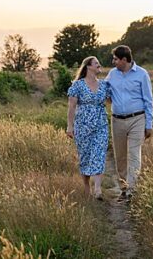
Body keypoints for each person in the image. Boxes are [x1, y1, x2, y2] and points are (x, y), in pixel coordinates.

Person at [105, 45, 153, 202]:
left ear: (124, 60)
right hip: (117, 120)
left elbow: (148, 100)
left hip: (137, 119)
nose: (113, 62)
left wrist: (149, 124)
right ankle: (124, 189)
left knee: (134, 155)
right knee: (120, 157)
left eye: (115, 59)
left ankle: (132, 191)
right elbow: (104, 92)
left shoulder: (142, 74)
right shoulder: (112, 74)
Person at [66, 56, 112, 200]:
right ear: (88, 67)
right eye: (96, 64)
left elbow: (111, 100)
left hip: (101, 124)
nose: (99, 66)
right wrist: (70, 126)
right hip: (83, 125)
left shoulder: (104, 85)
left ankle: (97, 189)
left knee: (99, 153)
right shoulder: (78, 85)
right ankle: (87, 186)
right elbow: (72, 106)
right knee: (85, 156)